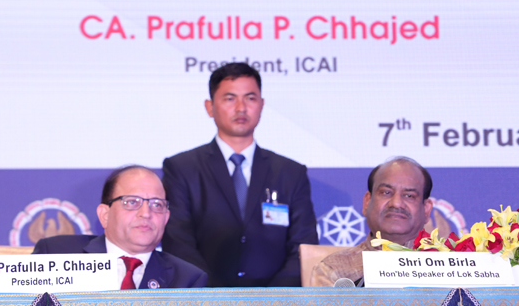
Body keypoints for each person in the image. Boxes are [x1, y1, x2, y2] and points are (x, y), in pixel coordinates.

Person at [161, 62, 318, 287]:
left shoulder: (291, 172)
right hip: (205, 299)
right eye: (230, 98)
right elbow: (178, 242)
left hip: (277, 303)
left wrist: (272, 299)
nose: (241, 108)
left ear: (261, 105)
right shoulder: (181, 168)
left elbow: (303, 245)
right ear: (209, 107)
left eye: (250, 98)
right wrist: (219, 298)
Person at [33, 166, 207, 289]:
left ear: (166, 218)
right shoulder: (55, 255)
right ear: (105, 215)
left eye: (156, 204)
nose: (146, 213)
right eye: (132, 202)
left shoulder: (187, 280)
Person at [310, 157, 433, 287]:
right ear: (367, 202)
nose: (396, 203)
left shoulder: (445, 266)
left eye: (409, 195)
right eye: (386, 192)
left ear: (426, 209)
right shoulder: (334, 271)